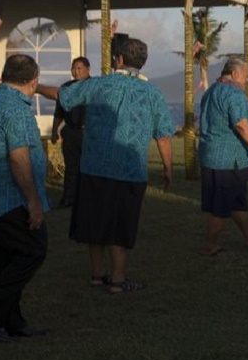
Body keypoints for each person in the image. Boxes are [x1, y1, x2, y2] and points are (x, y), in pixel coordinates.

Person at [56, 37, 174, 293]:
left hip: (94, 167)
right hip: (129, 170)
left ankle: (97, 276)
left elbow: (64, 95)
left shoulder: (98, 85)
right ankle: (118, 280)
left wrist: (31, 87)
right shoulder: (152, 93)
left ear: (118, 59)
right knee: (120, 223)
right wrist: (167, 169)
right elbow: (163, 135)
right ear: (141, 62)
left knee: (93, 220)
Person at [0, 54, 51, 342]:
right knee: (33, 250)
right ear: (33, 81)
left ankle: (10, 320)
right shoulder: (16, 110)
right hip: (10, 198)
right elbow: (18, 158)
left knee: (3, 261)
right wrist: (33, 200)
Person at [198, 58, 248, 256]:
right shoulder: (234, 93)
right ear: (234, 74)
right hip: (228, 159)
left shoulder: (212, 91)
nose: (247, 80)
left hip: (212, 155)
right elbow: (241, 124)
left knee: (236, 199)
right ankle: (209, 244)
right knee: (222, 203)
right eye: (245, 76)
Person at [51, 56, 91, 208]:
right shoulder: (66, 88)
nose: (76, 71)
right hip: (70, 132)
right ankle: (69, 197)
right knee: (71, 167)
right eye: (74, 68)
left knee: (88, 167)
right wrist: (54, 131)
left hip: (88, 133)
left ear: (88, 69)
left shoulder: (94, 86)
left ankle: (87, 198)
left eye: (80, 68)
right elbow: (59, 113)